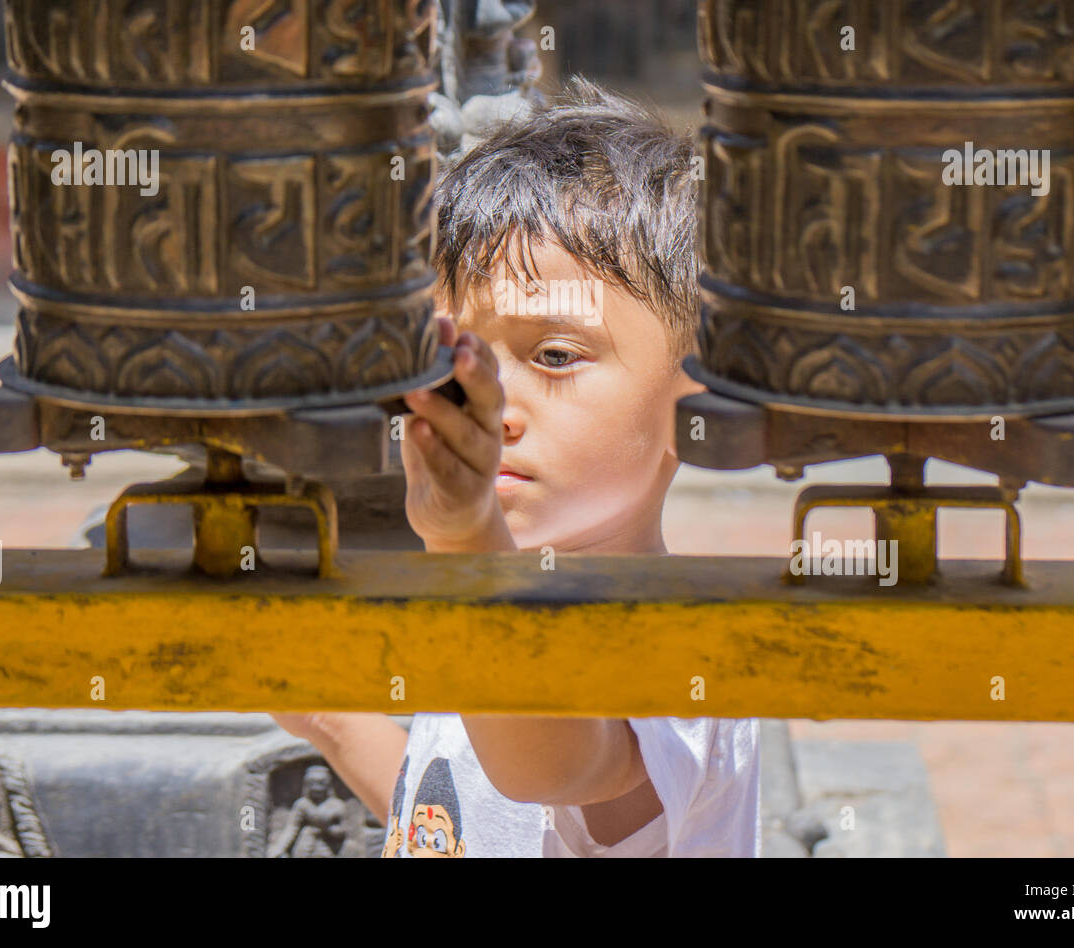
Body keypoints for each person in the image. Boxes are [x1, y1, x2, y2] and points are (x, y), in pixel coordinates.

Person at [274, 79, 760, 857]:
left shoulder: (677, 648)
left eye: (556, 356)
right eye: (457, 362)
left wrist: (465, 540)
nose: (492, 406)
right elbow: (459, 818)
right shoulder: (496, 609)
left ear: (694, 394)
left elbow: (550, 768)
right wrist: (327, 720)